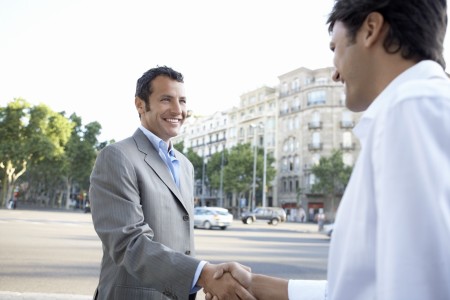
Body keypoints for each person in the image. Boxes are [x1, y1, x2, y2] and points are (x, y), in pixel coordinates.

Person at [206, 0, 450, 299]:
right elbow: (363, 288)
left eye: (334, 48)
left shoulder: (411, 111)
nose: (335, 74)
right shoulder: (417, 109)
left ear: (371, 29)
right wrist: (253, 284)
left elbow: (420, 290)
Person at [89, 66, 255, 300]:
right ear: (140, 104)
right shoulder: (117, 156)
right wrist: (205, 275)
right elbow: (127, 242)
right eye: (166, 99)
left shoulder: (186, 165)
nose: (178, 110)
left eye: (183, 101)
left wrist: (202, 279)